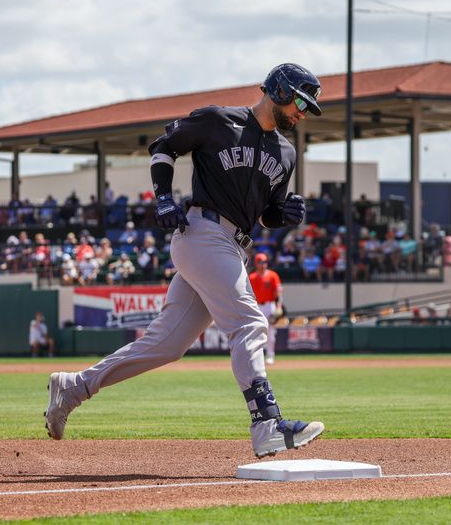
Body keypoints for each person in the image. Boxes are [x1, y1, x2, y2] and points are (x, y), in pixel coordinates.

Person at [43, 63, 325, 458]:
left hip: (232, 245)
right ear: (278, 90)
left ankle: (74, 387)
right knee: (249, 323)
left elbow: (265, 214)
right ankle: (267, 423)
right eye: (299, 102)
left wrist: (284, 216)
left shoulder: (286, 152)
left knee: (166, 345)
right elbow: (164, 146)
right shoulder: (218, 121)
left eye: (307, 107)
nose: (301, 112)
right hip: (203, 233)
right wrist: (162, 197)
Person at [249, 253, 283, 364]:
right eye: (261, 262)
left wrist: (279, 306)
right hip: (257, 306)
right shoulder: (252, 277)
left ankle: (270, 355)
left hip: (269, 305)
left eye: (265, 262)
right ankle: (256, 357)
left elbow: (278, 292)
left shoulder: (273, 275)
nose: (263, 264)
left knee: (270, 331)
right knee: (255, 332)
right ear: (256, 263)